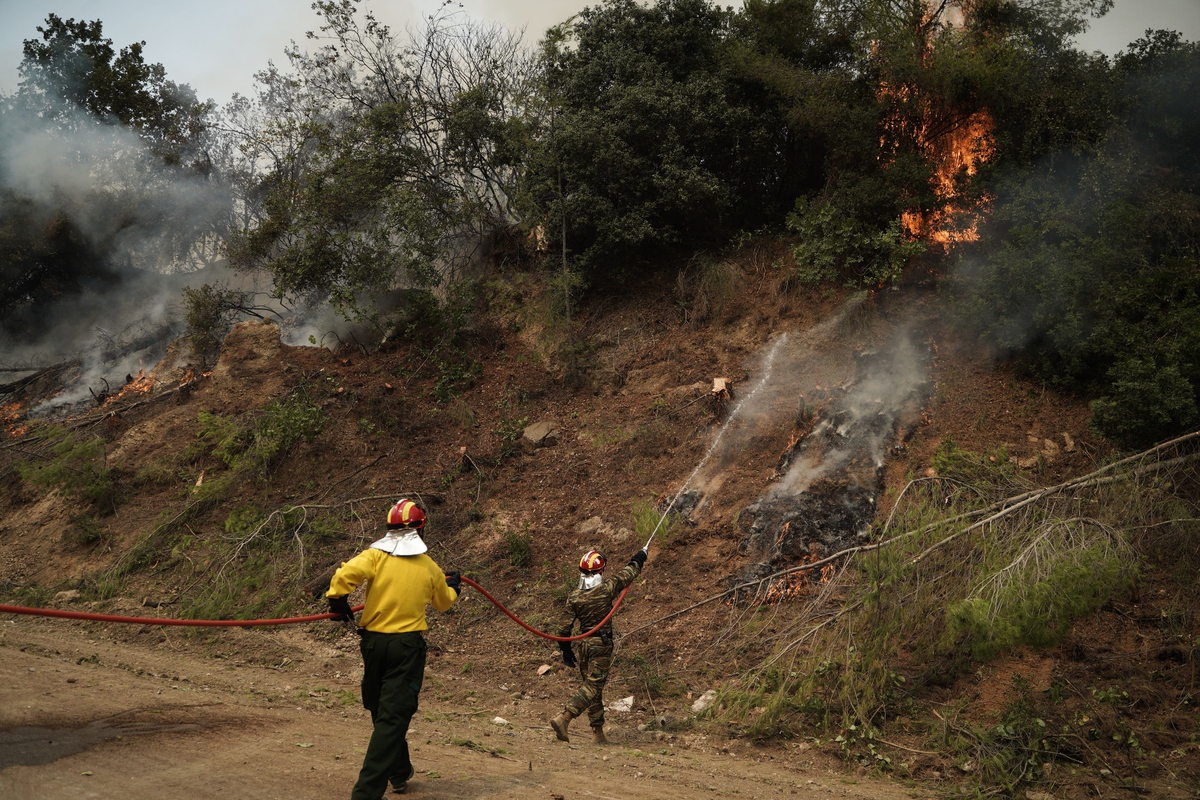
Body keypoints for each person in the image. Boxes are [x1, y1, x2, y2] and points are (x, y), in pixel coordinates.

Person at [327, 498, 460, 798]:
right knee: (390, 715)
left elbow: (344, 576)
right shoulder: (429, 568)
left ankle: (399, 773)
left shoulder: (375, 556)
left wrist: (338, 599)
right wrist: (453, 585)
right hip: (406, 648)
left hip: (373, 645)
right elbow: (443, 602)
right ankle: (367, 793)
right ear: (420, 530)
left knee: (383, 710)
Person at [550, 546, 648, 744]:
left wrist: (566, 650)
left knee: (593, 688)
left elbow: (563, 629)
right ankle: (565, 717)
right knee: (593, 687)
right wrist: (640, 557)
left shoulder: (574, 596)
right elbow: (628, 573)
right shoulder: (606, 589)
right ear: (599, 572)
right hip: (600, 645)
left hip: (584, 646)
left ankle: (598, 734)